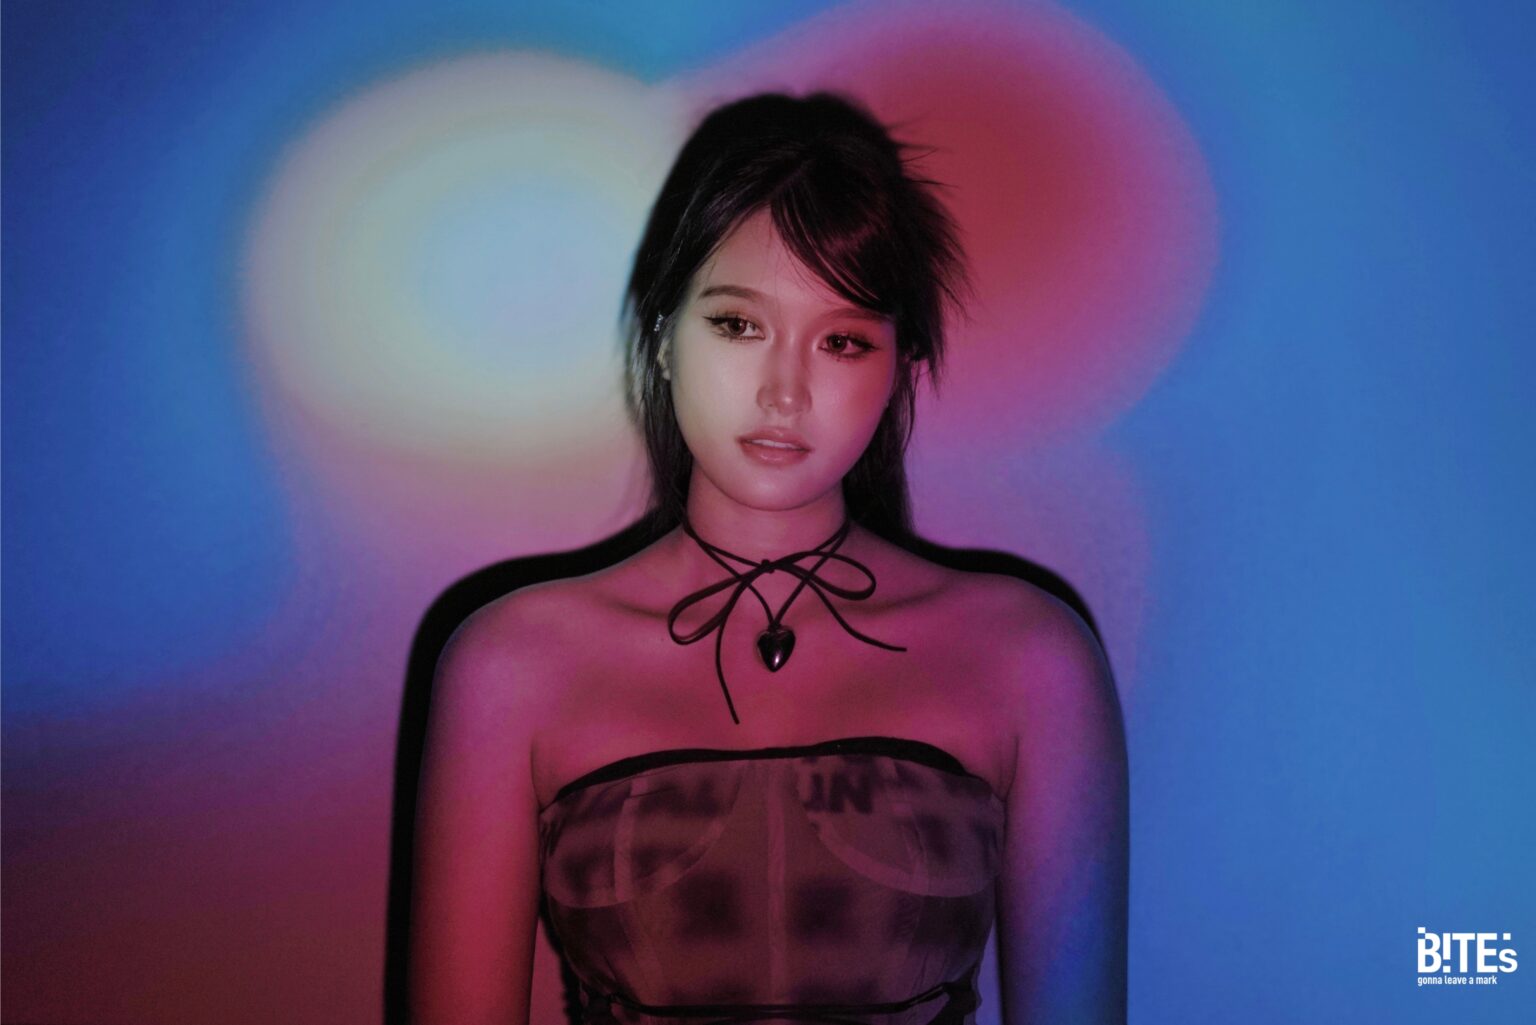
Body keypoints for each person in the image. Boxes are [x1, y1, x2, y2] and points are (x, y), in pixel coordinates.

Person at [408, 91, 1128, 1025]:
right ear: (662, 335)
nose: (784, 391)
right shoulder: (509, 664)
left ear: (899, 368)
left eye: (842, 340)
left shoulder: (1032, 659)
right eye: (737, 325)